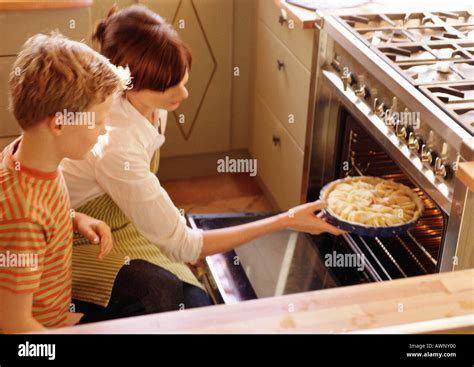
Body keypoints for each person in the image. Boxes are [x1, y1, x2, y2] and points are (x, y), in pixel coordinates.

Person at [62, 4, 344, 323]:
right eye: (167, 87)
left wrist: (170, 229)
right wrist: (285, 219)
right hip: (81, 235)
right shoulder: (117, 143)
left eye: (182, 78)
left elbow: (159, 214)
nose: (182, 93)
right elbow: (188, 247)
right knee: (173, 304)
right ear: (128, 84)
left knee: (193, 305)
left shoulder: (147, 103)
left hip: (123, 219)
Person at [0, 33, 129, 333]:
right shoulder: (24, 218)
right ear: (58, 123)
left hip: (56, 312)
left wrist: (73, 218)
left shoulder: (26, 155)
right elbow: (12, 323)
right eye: (98, 121)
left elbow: (42, 211)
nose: (103, 131)